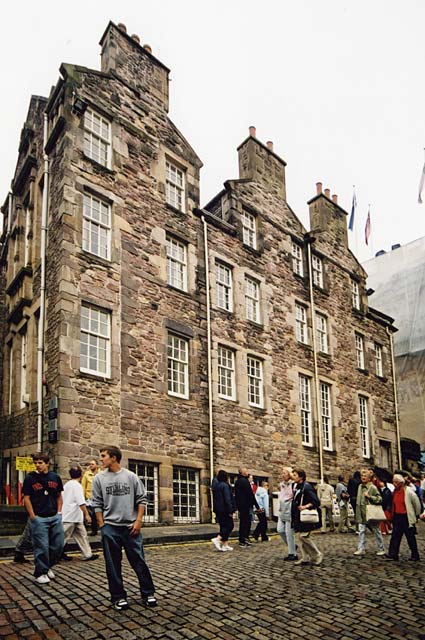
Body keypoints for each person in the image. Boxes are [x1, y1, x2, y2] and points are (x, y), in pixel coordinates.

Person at [91, 446, 157, 611]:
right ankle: (118, 597)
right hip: (110, 528)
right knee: (113, 565)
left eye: (103, 456)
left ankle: (148, 593)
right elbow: (96, 503)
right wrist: (102, 525)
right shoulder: (99, 479)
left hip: (130, 527)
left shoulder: (131, 477)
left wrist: (139, 521)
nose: (101, 459)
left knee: (139, 561)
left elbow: (142, 499)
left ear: (113, 458)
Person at [22, 452, 64, 584]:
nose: (37, 465)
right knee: (42, 547)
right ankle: (40, 572)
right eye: (35, 463)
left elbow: (59, 496)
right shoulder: (30, 478)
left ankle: (47, 567)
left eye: (40, 462)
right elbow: (26, 498)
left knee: (58, 545)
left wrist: (59, 512)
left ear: (47, 463)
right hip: (39, 518)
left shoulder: (55, 477)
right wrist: (33, 516)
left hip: (54, 517)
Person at [62, 466, 99, 562]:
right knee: (62, 538)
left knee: (82, 536)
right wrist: (87, 515)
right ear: (81, 475)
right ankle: (54, 555)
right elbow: (81, 502)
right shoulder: (77, 486)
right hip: (71, 516)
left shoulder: (66, 485)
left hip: (73, 516)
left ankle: (88, 554)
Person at [385, 474, 421, 562]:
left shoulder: (408, 492)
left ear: (401, 483)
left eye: (395, 482)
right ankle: (393, 554)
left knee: (410, 537)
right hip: (397, 516)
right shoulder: (395, 492)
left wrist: (416, 515)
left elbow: (417, 504)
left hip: (406, 517)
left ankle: (415, 555)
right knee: (395, 536)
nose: (394, 483)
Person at [291, 468, 323, 566]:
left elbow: (316, 501)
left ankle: (317, 554)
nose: (293, 476)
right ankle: (305, 557)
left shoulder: (307, 487)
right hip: (299, 517)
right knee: (300, 537)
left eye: (295, 475)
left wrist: (305, 506)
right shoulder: (297, 486)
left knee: (303, 537)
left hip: (306, 516)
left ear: (301, 477)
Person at [353, 468, 385, 557]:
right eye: (362, 476)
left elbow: (379, 499)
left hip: (370, 513)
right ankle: (361, 549)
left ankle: (381, 548)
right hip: (361, 514)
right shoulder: (359, 486)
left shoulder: (372, 487)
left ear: (369, 478)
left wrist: (370, 497)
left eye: (365, 476)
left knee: (376, 531)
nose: (363, 477)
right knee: (361, 532)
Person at [234, 467, 259, 548]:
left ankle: (243, 539)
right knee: (246, 523)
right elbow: (250, 494)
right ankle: (244, 539)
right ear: (243, 473)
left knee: (243, 522)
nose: (248, 472)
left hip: (241, 505)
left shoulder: (237, 481)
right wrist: (257, 505)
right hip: (246, 505)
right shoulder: (245, 481)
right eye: (246, 471)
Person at [211, 470, 235, 552]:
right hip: (225, 509)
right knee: (230, 526)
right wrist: (230, 510)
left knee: (223, 526)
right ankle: (218, 539)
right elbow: (227, 499)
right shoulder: (225, 486)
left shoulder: (216, 486)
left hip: (218, 509)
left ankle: (225, 545)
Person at [277, 468, 297, 561]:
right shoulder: (282, 485)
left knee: (289, 533)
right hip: (281, 511)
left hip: (289, 512)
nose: (282, 475)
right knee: (280, 530)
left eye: (284, 473)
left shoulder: (294, 485)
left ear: (289, 474)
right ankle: (293, 546)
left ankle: (292, 553)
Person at [82, 459, 101, 535]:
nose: (91, 465)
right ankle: (94, 530)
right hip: (90, 497)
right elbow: (83, 486)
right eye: (90, 464)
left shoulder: (101, 474)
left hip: (99, 497)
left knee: (100, 513)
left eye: (92, 464)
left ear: (96, 465)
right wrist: (83, 497)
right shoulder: (86, 474)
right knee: (92, 514)